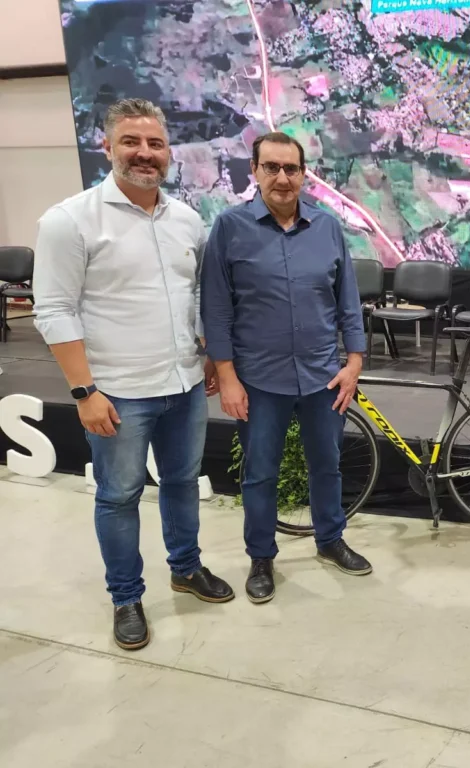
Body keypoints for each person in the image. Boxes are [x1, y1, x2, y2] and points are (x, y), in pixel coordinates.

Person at [32, 98, 233, 651]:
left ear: (168, 153)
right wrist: (84, 392)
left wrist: (209, 356)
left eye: (155, 144)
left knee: (182, 485)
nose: (144, 153)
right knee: (119, 498)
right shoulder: (69, 221)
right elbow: (53, 310)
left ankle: (185, 568)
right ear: (108, 147)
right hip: (117, 392)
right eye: (131, 142)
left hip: (186, 383)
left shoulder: (187, 219)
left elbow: (194, 296)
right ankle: (126, 596)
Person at [201, 132, 370, 604]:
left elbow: (348, 303)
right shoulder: (229, 228)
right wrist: (228, 377)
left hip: (323, 376)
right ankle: (261, 557)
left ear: (303, 174)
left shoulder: (328, 227)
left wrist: (353, 362)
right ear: (254, 172)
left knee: (327, 465)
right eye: (272, 167)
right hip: (258, 380)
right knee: (259, 473)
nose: (282, 177)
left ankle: (330, 539)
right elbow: (216, 311)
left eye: (291, 169)